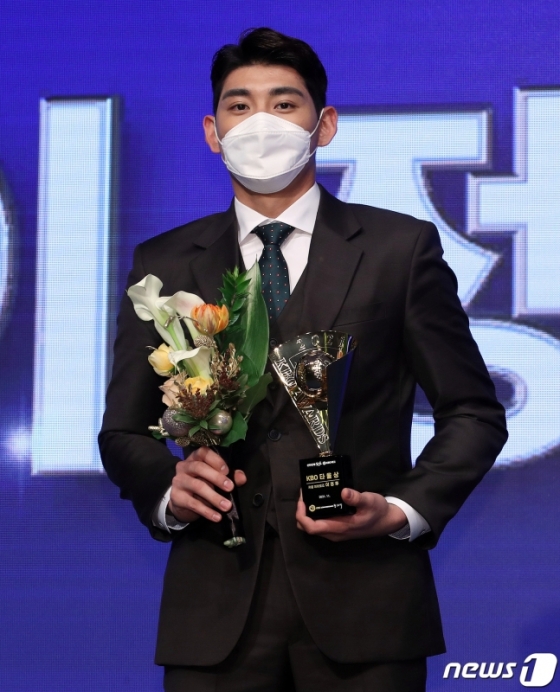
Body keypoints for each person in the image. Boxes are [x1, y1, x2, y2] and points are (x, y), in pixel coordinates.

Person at [99, 27, 508, 692]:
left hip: (367, 610)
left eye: (283, 104)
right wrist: (170, 490)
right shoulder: (165, 263)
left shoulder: (398, 250)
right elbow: (122, 431)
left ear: (325, 125)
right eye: (239, 105)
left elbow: (473, 412)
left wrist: (401, 510)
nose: (260, 122)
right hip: (214, 614)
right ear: (212, 132)